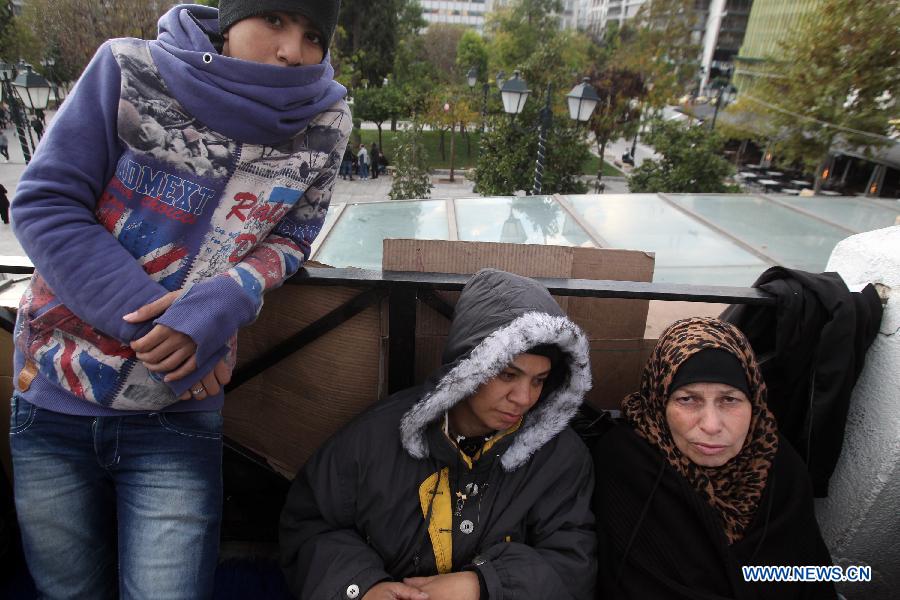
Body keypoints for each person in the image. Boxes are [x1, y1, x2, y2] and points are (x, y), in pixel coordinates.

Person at [9, 1, 350, 598]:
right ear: (230, 17)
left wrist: (222, 303)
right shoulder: (126, 67)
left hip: (180, 409)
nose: (291, 50)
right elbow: (44, 203)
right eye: (274, 20)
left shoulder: (327, 122)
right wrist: (165, 335)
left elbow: (293, 237)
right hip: (55, 393)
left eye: (312, 35)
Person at [280, 268, 597, 600]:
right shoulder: (373, 439)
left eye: (539, 380)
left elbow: (571, 566)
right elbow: (310, 527)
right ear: (467, 367)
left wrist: (484, 585)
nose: (524, 398)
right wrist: (361, 588)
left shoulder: (560, 457)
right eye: (507, 374)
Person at [592, 317, 838, 599]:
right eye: (688, 399)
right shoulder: (628, 461)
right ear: (660, 402)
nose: (711, 424)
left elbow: (810, 577)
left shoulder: (777, 463)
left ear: (754, 401)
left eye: (729, 399)